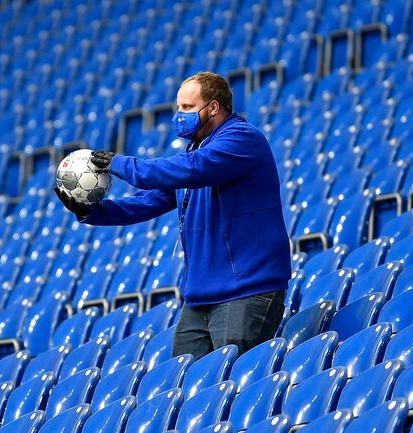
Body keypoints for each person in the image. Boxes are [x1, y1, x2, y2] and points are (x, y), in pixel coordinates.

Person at [55, 71, 291, 359]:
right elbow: (148, 202)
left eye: (188, 108)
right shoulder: (196, 150)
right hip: (199, 299)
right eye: (179, 107)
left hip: (246, 293)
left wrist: (119, 163)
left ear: (214, 107)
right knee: (189, 391)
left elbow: (191, 169)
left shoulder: (242, 140)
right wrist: (92, 211)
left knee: (232, 387)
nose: (180, 114)